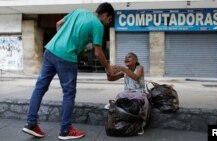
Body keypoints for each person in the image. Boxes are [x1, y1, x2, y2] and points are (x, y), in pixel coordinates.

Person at [22, 2, 114, 140]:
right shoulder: (98, 25)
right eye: (109, 19)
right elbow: (98, 52)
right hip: (67, 57)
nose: (108, 23)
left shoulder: (79, 11)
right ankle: (65, 130)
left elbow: (58, 23)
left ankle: (31, 124)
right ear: (106, 15)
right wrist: (108, 67)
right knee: (69, 93)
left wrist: (62, 42)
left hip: (51, 50)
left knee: (40, 88)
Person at [106, 52, 151, 135]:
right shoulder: (124, 71)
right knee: (120, 95)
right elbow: (111, 79)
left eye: (129, 57)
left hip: (138, 93)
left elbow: (136, 77)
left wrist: (123, 68)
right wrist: (108, 72)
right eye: (125, 57)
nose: (126, 58)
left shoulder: (140, 68)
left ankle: (141, 125)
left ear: (135, 60)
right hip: (127, 93)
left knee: (142, 101)